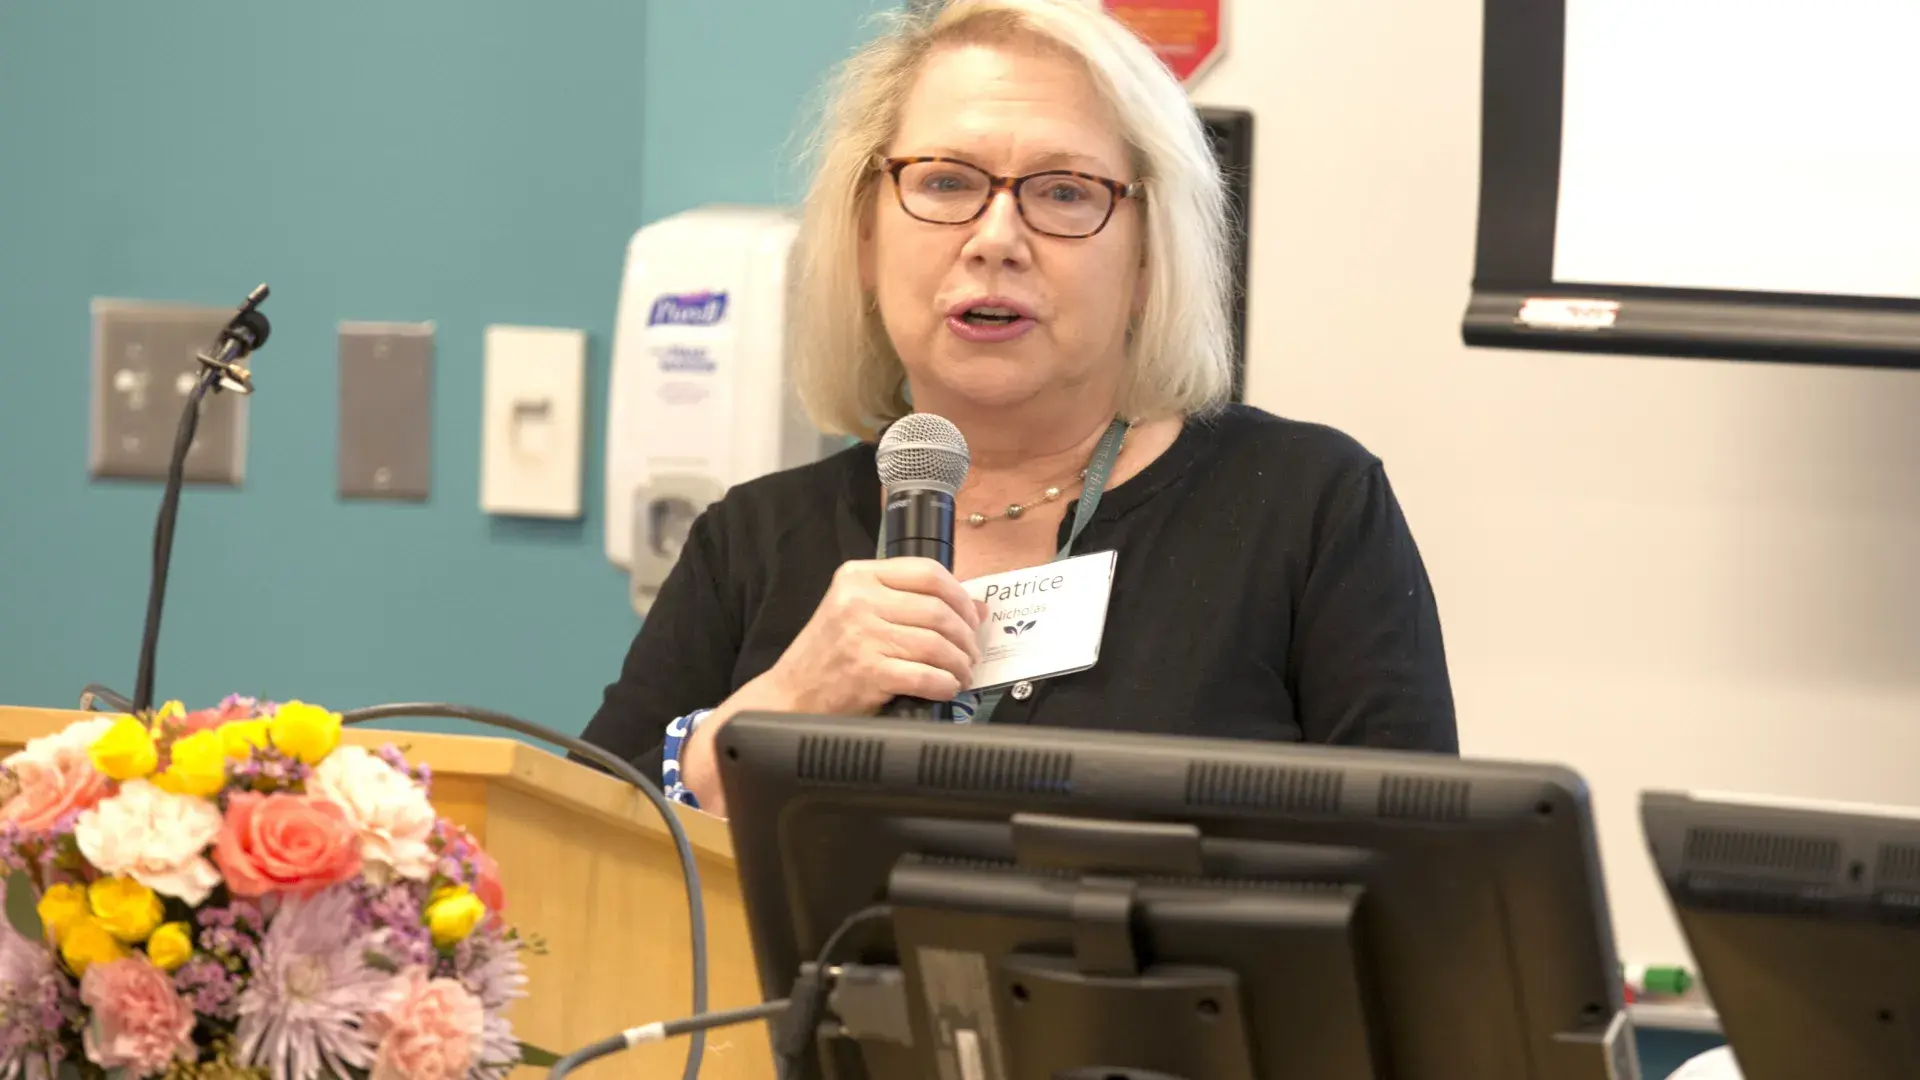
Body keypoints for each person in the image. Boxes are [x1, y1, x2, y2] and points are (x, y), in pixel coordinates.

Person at [581, 0, 1456, 817]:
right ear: (865, 241)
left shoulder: (1306, 509)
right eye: (946, 182)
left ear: (1149, 260)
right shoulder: (753, 542)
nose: (996, 238)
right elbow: (572, 874)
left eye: (1064, 191)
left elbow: (1428, 890)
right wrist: (773, 714)